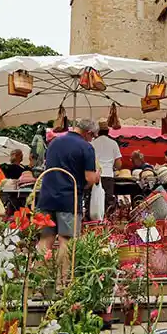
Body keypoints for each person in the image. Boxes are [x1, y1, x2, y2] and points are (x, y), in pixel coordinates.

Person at [36, 117, 99, 283]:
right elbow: (90, 178)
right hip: (69, 199)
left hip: (46, 197)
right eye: (93, 136)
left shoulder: (54, 142)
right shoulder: (86, 147)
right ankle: (62, 283)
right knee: (67, 240)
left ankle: (39, 284)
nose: (92, 139)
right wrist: (95, 177)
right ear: (89, 133)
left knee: (45, 240)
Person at [90, 122, 120, 202]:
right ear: (108, 131)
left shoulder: (92, 144)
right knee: (107, 202)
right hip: (108, 176)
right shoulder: (113, 143)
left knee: (94, 201)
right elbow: (118, 164)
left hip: (94, 176)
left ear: (97, 132)